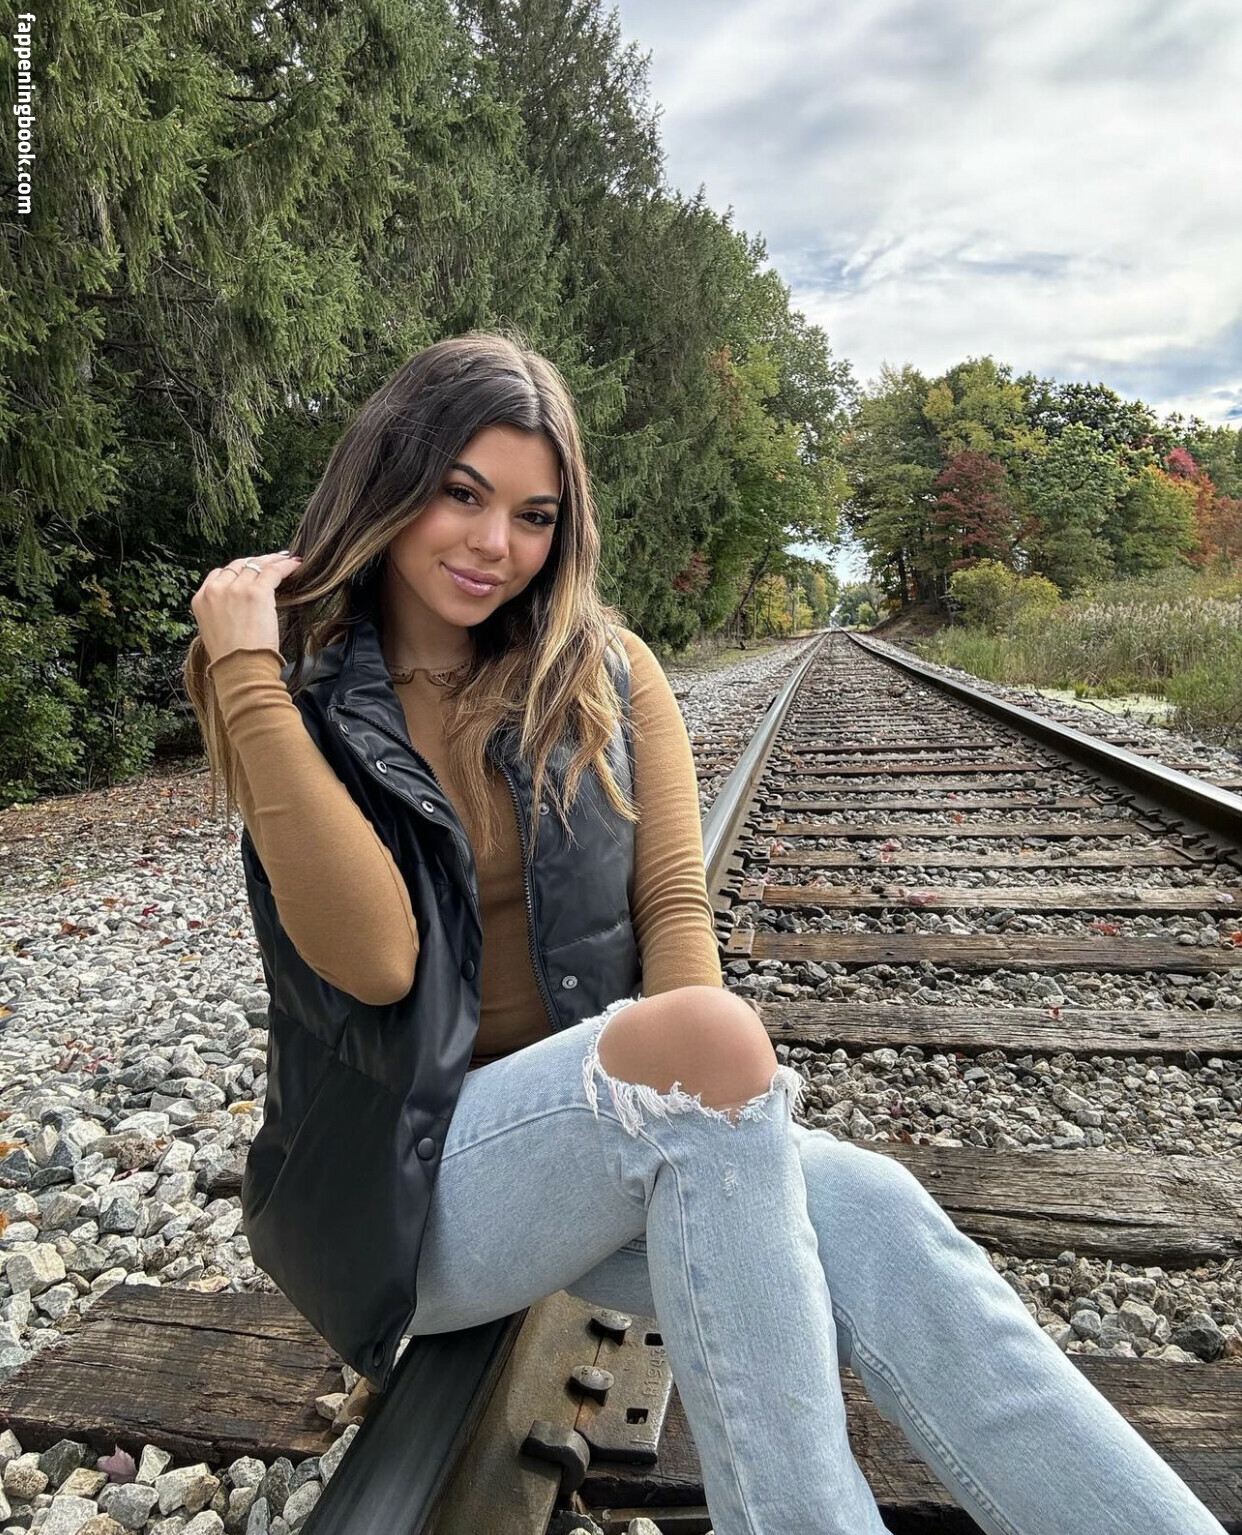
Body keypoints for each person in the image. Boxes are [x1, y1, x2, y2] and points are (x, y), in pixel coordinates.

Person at [183, 330, 1226, 1535]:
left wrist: (721, 1126)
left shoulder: (604, 671)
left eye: (533, 515)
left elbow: (675, 906)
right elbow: (377, 962)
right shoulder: (299, 700)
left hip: (598, 1148)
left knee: (878, 1213)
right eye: (461, 494)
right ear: (391, 482)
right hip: (405, 1195)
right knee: (714, 1055)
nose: (494, 544)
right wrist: (245, 672)